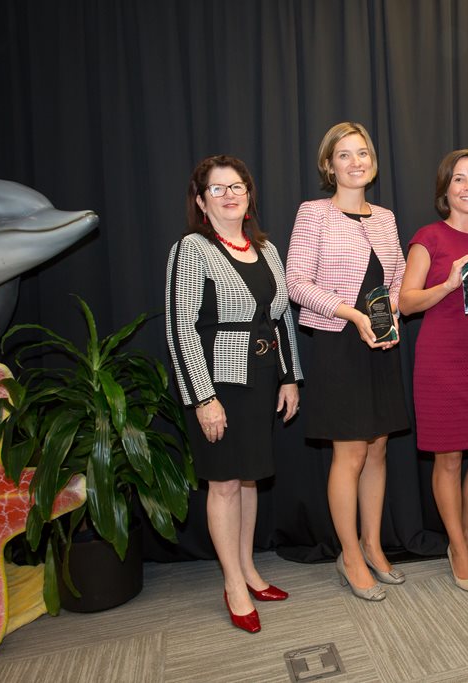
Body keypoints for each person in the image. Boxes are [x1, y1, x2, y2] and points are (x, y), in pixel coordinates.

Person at [166, 155, 301, 634]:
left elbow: (280, 319)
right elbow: (180, 327)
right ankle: (233, 584)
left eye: (237, 186)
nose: (229, 195)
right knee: (224, 483)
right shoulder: (192, 248)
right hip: (219, 384)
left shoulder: (265, 249)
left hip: (261, 380)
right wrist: (203, 399)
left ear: (249, 195)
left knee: (248, 481)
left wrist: (289, 377)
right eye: (217, 189)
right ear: (201, 201)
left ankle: (247, 569)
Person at [286, 122, 409, 602]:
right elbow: (296, 282)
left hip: (380, 342)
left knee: (378, 447)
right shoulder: (314, 213)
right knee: (350, 453)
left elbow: (397, 275)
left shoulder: (386, 217)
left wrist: (390, 313)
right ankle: (350, 556)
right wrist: (353, 314)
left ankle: (373, 546)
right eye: (345, 154)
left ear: (372, 162)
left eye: (363, 153)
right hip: (339, 342)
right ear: (329, 164)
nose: (356, 161)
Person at [398, 149, 468, 593]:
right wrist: (447, 284)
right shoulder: (429, 237)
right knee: (447, 458)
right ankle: (459, 547)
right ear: (445, 187)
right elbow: (407, 302)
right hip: (440, 359)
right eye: (460, 179)